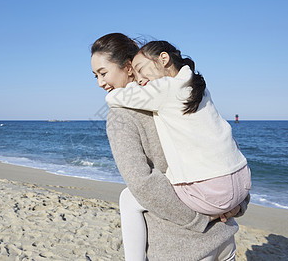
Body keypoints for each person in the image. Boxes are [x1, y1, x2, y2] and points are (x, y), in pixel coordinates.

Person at [91, 33, 250, 260]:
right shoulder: (187, 92)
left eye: (103, 73)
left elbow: (143, 183)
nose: (100, 83)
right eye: (95, 76)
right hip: (224, 239)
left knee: (129, 196)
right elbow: (225, 148)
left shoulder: (121, 115)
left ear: (128, 67)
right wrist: (238, 203)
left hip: (184, 247)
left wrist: (201, 218)